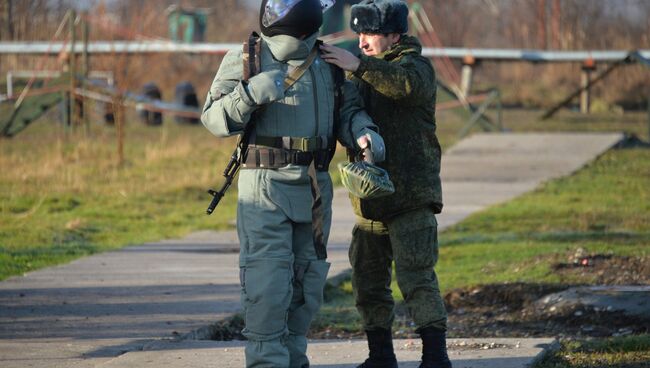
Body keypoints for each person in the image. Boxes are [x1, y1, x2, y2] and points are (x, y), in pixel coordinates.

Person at [201, 0, 385, 367]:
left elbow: (346, 110)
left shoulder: (327, 62)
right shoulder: (245, 58)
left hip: (315, 188)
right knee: (267, 285)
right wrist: (249, 94)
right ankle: (268, 363)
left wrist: (363, 132)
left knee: (308, 283)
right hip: (265, 188)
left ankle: (294, 359)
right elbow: (213, 119)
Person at [320, 1, 451, 367]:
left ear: (395, 35)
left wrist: (357, 66)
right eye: (359, 34)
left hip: (410, 198)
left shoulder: (417, 67)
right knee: (368, 283)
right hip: (371, 203)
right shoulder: (359, 74)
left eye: (371, 34)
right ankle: (380, 355)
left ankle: (435, 356)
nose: (362, 42)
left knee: (416, 277)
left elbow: (406, 86)